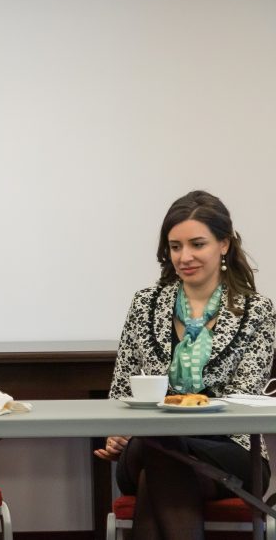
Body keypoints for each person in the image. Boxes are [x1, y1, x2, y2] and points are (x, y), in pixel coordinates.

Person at [94, 190, 274, 539]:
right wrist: (117, 433)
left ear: (224, 244)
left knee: (159, 461)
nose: (184, 256)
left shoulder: (256, 310)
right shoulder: (145, 304)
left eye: (197, 244)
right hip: (146, 444)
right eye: (175, 246)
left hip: (229, 450)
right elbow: (122, 389)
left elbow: (244, 401)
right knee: (158, 445)